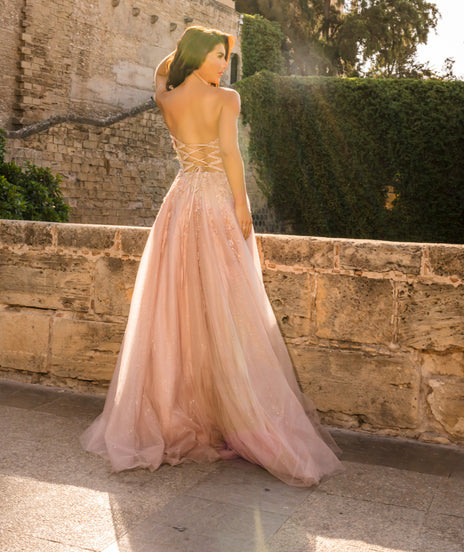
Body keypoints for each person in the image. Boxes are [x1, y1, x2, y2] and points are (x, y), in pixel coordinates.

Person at [80, 25, 343, 487]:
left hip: (180, 203)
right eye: (219, 55)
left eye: (226, 57)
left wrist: (180, 55)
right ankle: (240, 416)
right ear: (201, 55)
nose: (225, 64)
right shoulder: (226, 99)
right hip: (216, 201)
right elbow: (230, 155)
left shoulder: (168, 99)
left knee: (178, 303)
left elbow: (160, 75)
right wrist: (242, 207)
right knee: (229, 305)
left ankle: (188, 411)